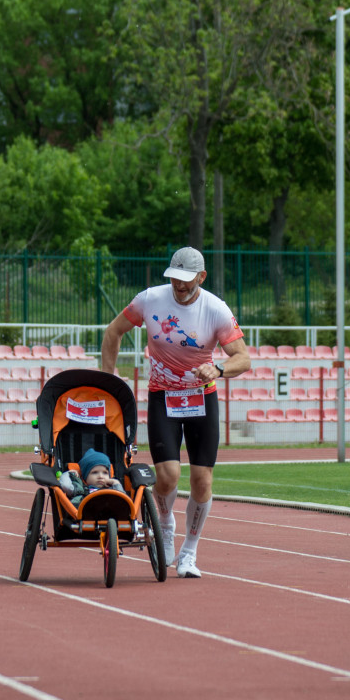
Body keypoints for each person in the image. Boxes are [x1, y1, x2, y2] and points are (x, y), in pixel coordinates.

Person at [100, 246, 251, 578]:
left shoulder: (215, 309)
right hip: (163, 397)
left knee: (201, 481)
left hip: (201, 399)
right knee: (167, 477)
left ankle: (189, 552)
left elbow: (243, 357)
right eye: (174, 279)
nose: (179, 286)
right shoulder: (150, 300)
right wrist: (109, 380)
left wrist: (220, 369)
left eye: (186, 281)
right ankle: (165, 526)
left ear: (201, 277)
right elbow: (113, 332)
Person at [59, 448, 124, 508]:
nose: (101, 476)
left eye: (105, 473)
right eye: (95, 472)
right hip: (86, 517)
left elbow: (123, 501)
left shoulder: (112, 489)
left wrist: (116, 483)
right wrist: (69, 473)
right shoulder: (80, 488)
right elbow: (65, 485)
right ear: (85, 476)